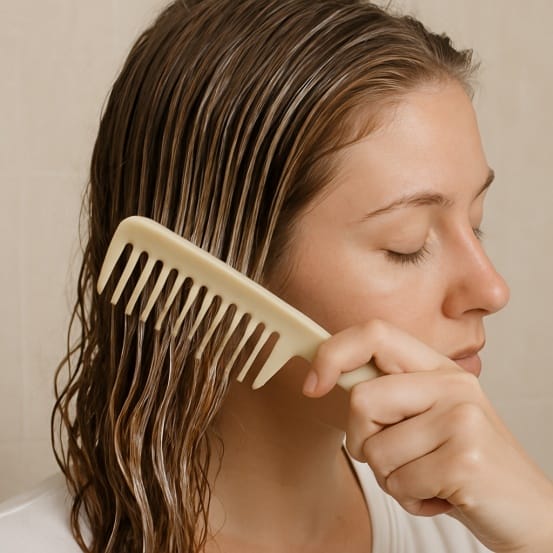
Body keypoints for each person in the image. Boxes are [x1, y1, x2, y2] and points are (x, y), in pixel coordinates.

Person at [1, 0, 552, 552]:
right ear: (215, 275)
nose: (492, 289)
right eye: (406, 246)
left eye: (476, 225)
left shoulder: (484, 531)